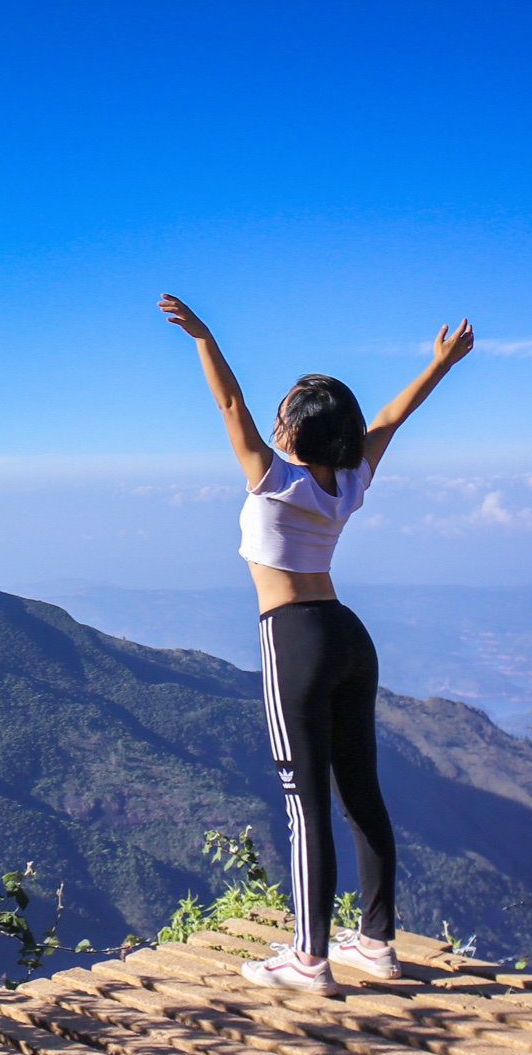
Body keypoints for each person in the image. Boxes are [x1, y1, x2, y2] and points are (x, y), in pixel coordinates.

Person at [158, 293, 473, 996]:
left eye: (284, 417)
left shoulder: (273, 479)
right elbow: (392, 418)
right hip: (348, 635)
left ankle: (309, 960)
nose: (272, 423)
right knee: (361, 793)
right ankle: (377, 944)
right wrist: (440, 366)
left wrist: (205, 337)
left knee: (305, 807)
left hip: (295, 638)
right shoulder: (352, 479)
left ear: (296, 434)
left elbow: (229, 406)